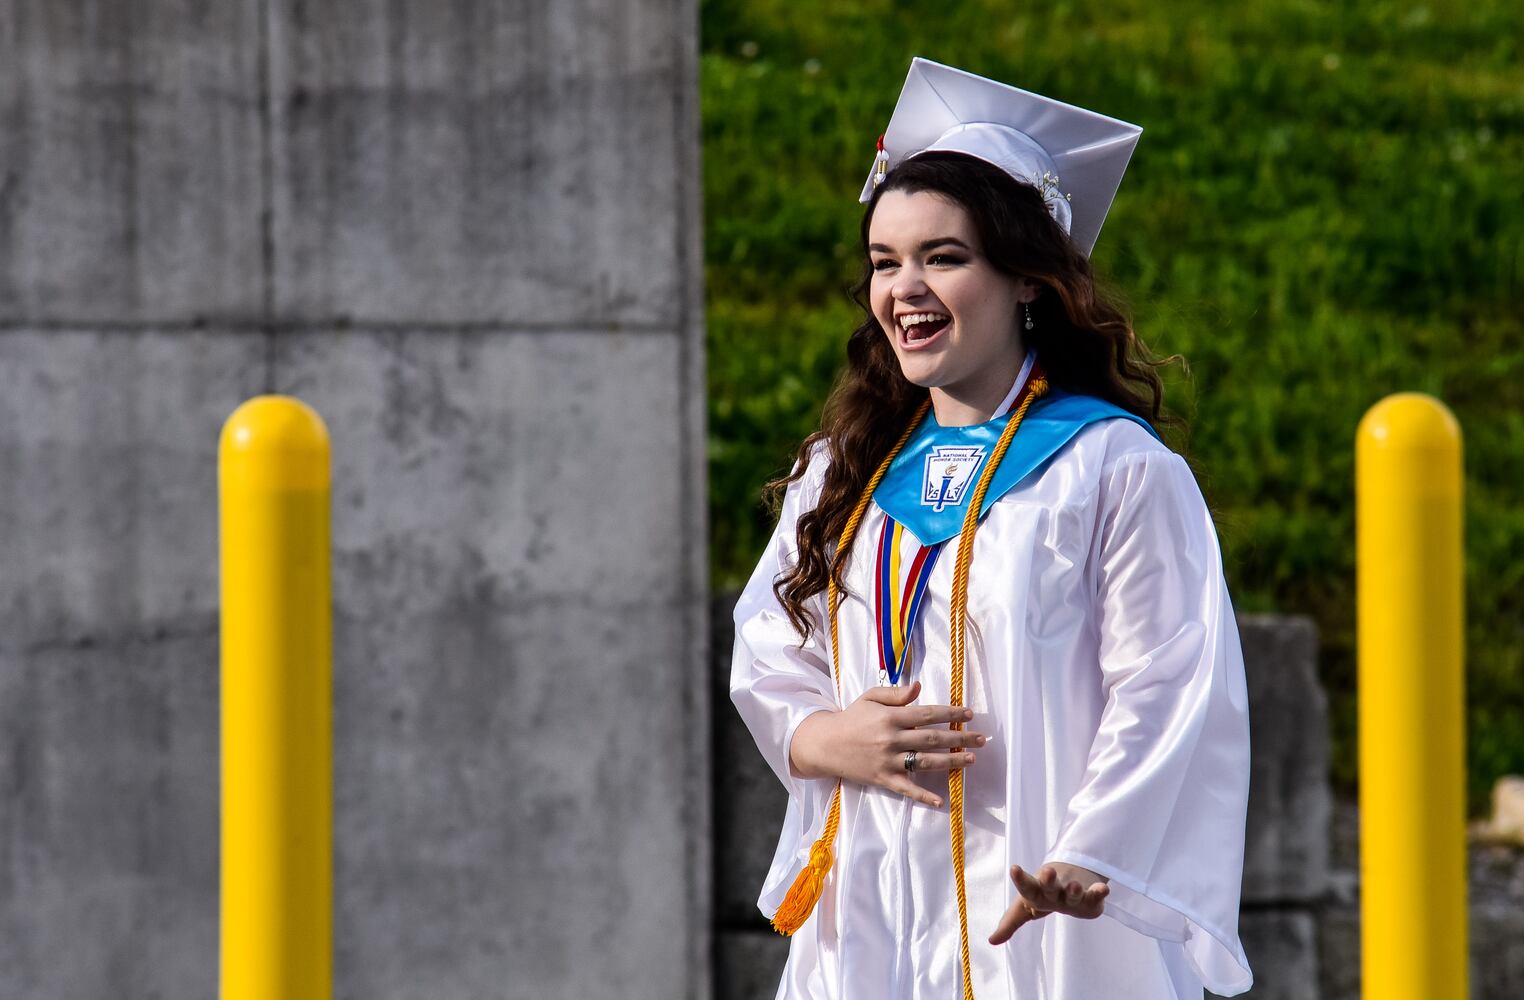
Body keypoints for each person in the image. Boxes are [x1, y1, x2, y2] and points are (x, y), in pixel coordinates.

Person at [729, 59, 1254, 999]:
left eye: (944, 256)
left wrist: (1097, 853)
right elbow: (769, 646)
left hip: (1039, 917)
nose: (904, 288)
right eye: (885, 262)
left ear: (1026, 281)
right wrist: (820, 738)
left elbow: (1172, 680)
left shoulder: (1112, 469)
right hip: (874, 916)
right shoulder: (840, 473)